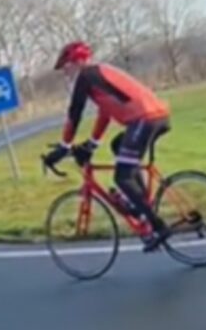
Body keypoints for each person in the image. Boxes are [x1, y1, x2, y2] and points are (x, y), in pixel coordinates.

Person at [43, 40, 173, 252]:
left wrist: (64, 146)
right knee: (118, 147)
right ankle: (141, 206)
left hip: (144, 119)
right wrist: (92, 143)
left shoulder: (86, 76)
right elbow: (106, 113)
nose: (65, 73)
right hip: (155, 116)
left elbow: (74, 113)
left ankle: (157, 226)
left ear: (76, 62)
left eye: (66, 67)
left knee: (122, 176)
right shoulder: (100, 74)